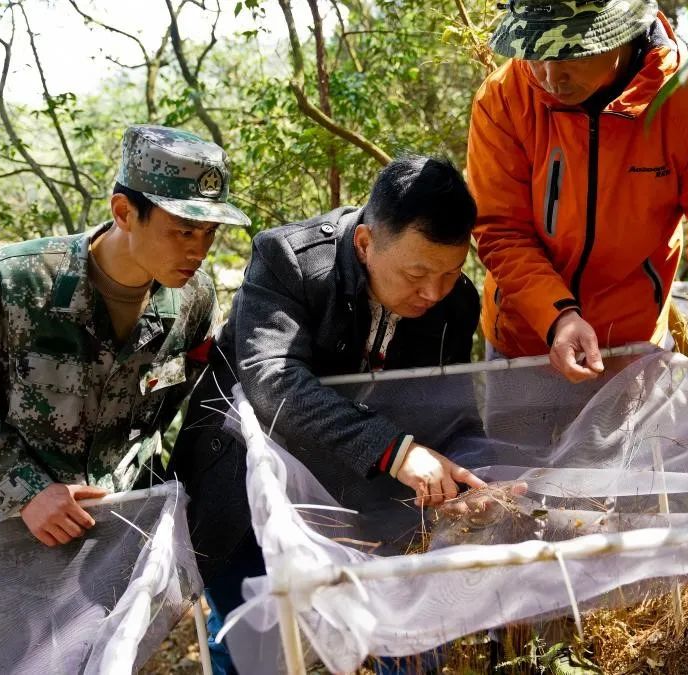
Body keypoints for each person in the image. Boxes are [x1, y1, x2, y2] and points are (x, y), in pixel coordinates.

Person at [169, 155, 487, 674]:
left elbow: (449, 410)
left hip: (367, 490)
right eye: (416, 274)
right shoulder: (287, 260)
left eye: (450, 273)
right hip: (245, 484)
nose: (433, 293)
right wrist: (396, 451)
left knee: (411, 636)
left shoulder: (456, 305)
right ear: (364, 243)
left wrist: (475, 476)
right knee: (256, 642)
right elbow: (273, 380)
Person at [0, 124, 249, 542]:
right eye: (184, 230)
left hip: (128, 529)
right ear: (124, 212)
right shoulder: (16, 281)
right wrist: (26, 491)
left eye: (210, 233)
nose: (199, 251)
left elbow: (181, 408)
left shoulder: (193, 299)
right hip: (13, 534)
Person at [467, 0, 688, 382]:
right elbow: (501, 230)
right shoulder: (504, 99)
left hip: (633, 347)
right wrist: (557, 317)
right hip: (524, 340)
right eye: (536, 52)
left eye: (571, 54)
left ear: (623, 34)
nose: (551, 76)